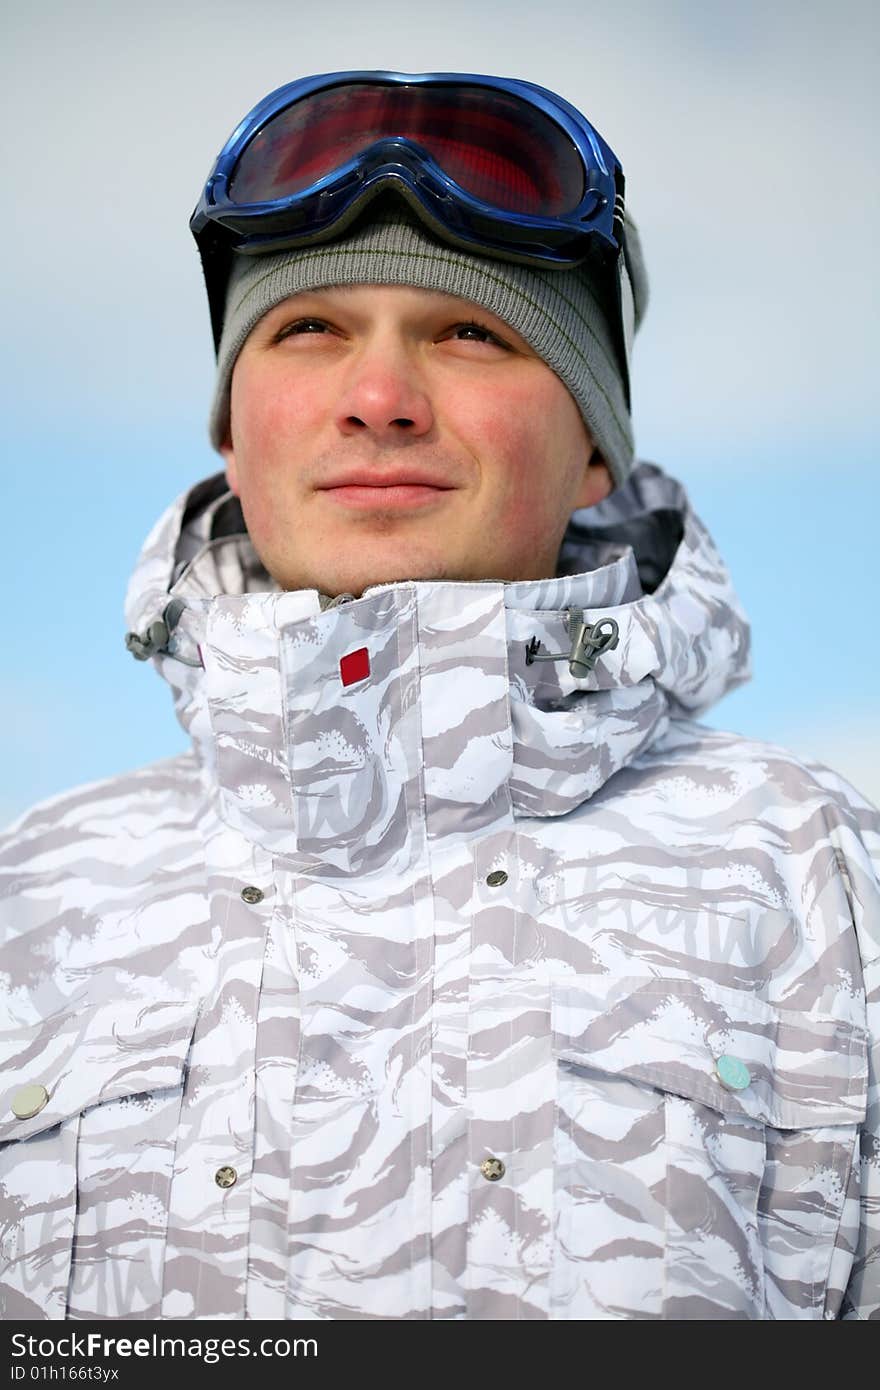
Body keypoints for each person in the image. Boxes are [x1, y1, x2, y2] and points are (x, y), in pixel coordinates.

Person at [1, 70, 877, 1323]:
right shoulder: (34, 896)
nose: (380, 398)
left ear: (591, 446)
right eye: (307, 330)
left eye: (473, 332)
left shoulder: (814, 876)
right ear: (232, 436)